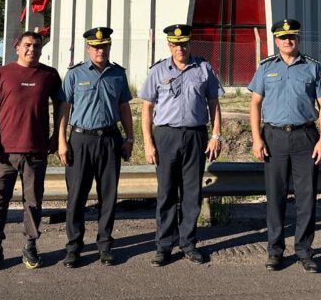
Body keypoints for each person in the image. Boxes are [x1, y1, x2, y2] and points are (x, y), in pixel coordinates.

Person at [248, 18, 321, 273]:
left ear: (298, 39)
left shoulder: (313, 68)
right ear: (276, 41)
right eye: (283, 37)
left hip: (305, 137)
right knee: (275, 197)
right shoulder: (265, 68)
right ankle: (275, 251)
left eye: (292, 37)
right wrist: (256, 138)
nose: (288, 41)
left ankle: (305, 251)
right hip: (273, 138)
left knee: (306, 198)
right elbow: (255, 104)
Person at [140, 24, 223, 266]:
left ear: (190, 44)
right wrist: (148, 142)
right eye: (175, 44)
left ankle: (188, 243)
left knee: (191, 193)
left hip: (196, 135)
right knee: (166, 192)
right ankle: (164, 245)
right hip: (166, 136)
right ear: (169, 45)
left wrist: (216, 135)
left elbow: (214, 103)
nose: (180, 48)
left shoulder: (204, 69)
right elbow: (147, 107)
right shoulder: (158, 71)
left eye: (184, 43)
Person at [0, 31, 63, 272]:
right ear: (17, 47)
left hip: (36, 151)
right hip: (4, 152)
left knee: (33, 202)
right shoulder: (2, 73)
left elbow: (60, 107)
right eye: (27, 46)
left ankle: (30, 245)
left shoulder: (49, 75)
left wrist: (57, 137)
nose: (32, 50)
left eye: (36, 46)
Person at [58, 27, 134, 268]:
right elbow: (64, 109)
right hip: (80, 141)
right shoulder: (74, 74)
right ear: (88, 48)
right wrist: (61, 140)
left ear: (109, 47)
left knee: (108, 196)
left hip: (110, 139)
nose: (100, 50)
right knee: (77, 196)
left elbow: (124, 108)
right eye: (96, 46)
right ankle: (74, 248)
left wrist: (129, 138)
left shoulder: (118, 75)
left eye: (104, 46)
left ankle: (105, 245)